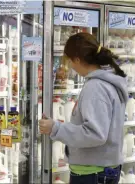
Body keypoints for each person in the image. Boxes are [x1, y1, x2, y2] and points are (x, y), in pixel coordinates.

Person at [39, 32, 128, 184]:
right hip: (101, 169)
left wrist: (55, 128)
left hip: (92, 172)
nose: (71, 67)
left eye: (70, 62)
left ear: (77, 60)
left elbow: (95, 134)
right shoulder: (106, 83)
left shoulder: (95, 87)